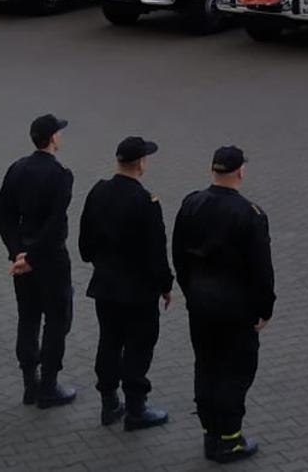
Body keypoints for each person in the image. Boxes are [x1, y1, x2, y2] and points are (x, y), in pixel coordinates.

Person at [173, 146, 275, 465]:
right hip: (235, 310)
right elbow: (262, 270)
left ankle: (210, 432)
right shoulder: (250, 214)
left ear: (213, 170)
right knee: (235, 372)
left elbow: (178, 253)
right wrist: (264, 309)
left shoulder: (191, 203)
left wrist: (189, 289)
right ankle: (229, 440)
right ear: (241, 172)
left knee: (206, 366)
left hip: (200, 305)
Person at [79, 136, 174, 431]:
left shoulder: (98, 192)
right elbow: (156, 251)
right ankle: (136, 409)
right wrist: (166, 285)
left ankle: (109, 402)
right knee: (139, 346)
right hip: (138, 291)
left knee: (109, 341)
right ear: (141, 163)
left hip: (105, 286)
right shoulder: (146, 202)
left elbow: (85, 243)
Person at [0, 114, 79, 408]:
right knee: (58, 320)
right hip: (51, 258)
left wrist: (17, 251)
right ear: (53, 138)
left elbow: (4, 213)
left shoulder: (17, 168)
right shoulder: (60, 175)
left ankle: (29, 383)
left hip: (23, 257)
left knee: (28, 317)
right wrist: (33, 256)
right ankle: (49, 385)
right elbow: (56, 223)